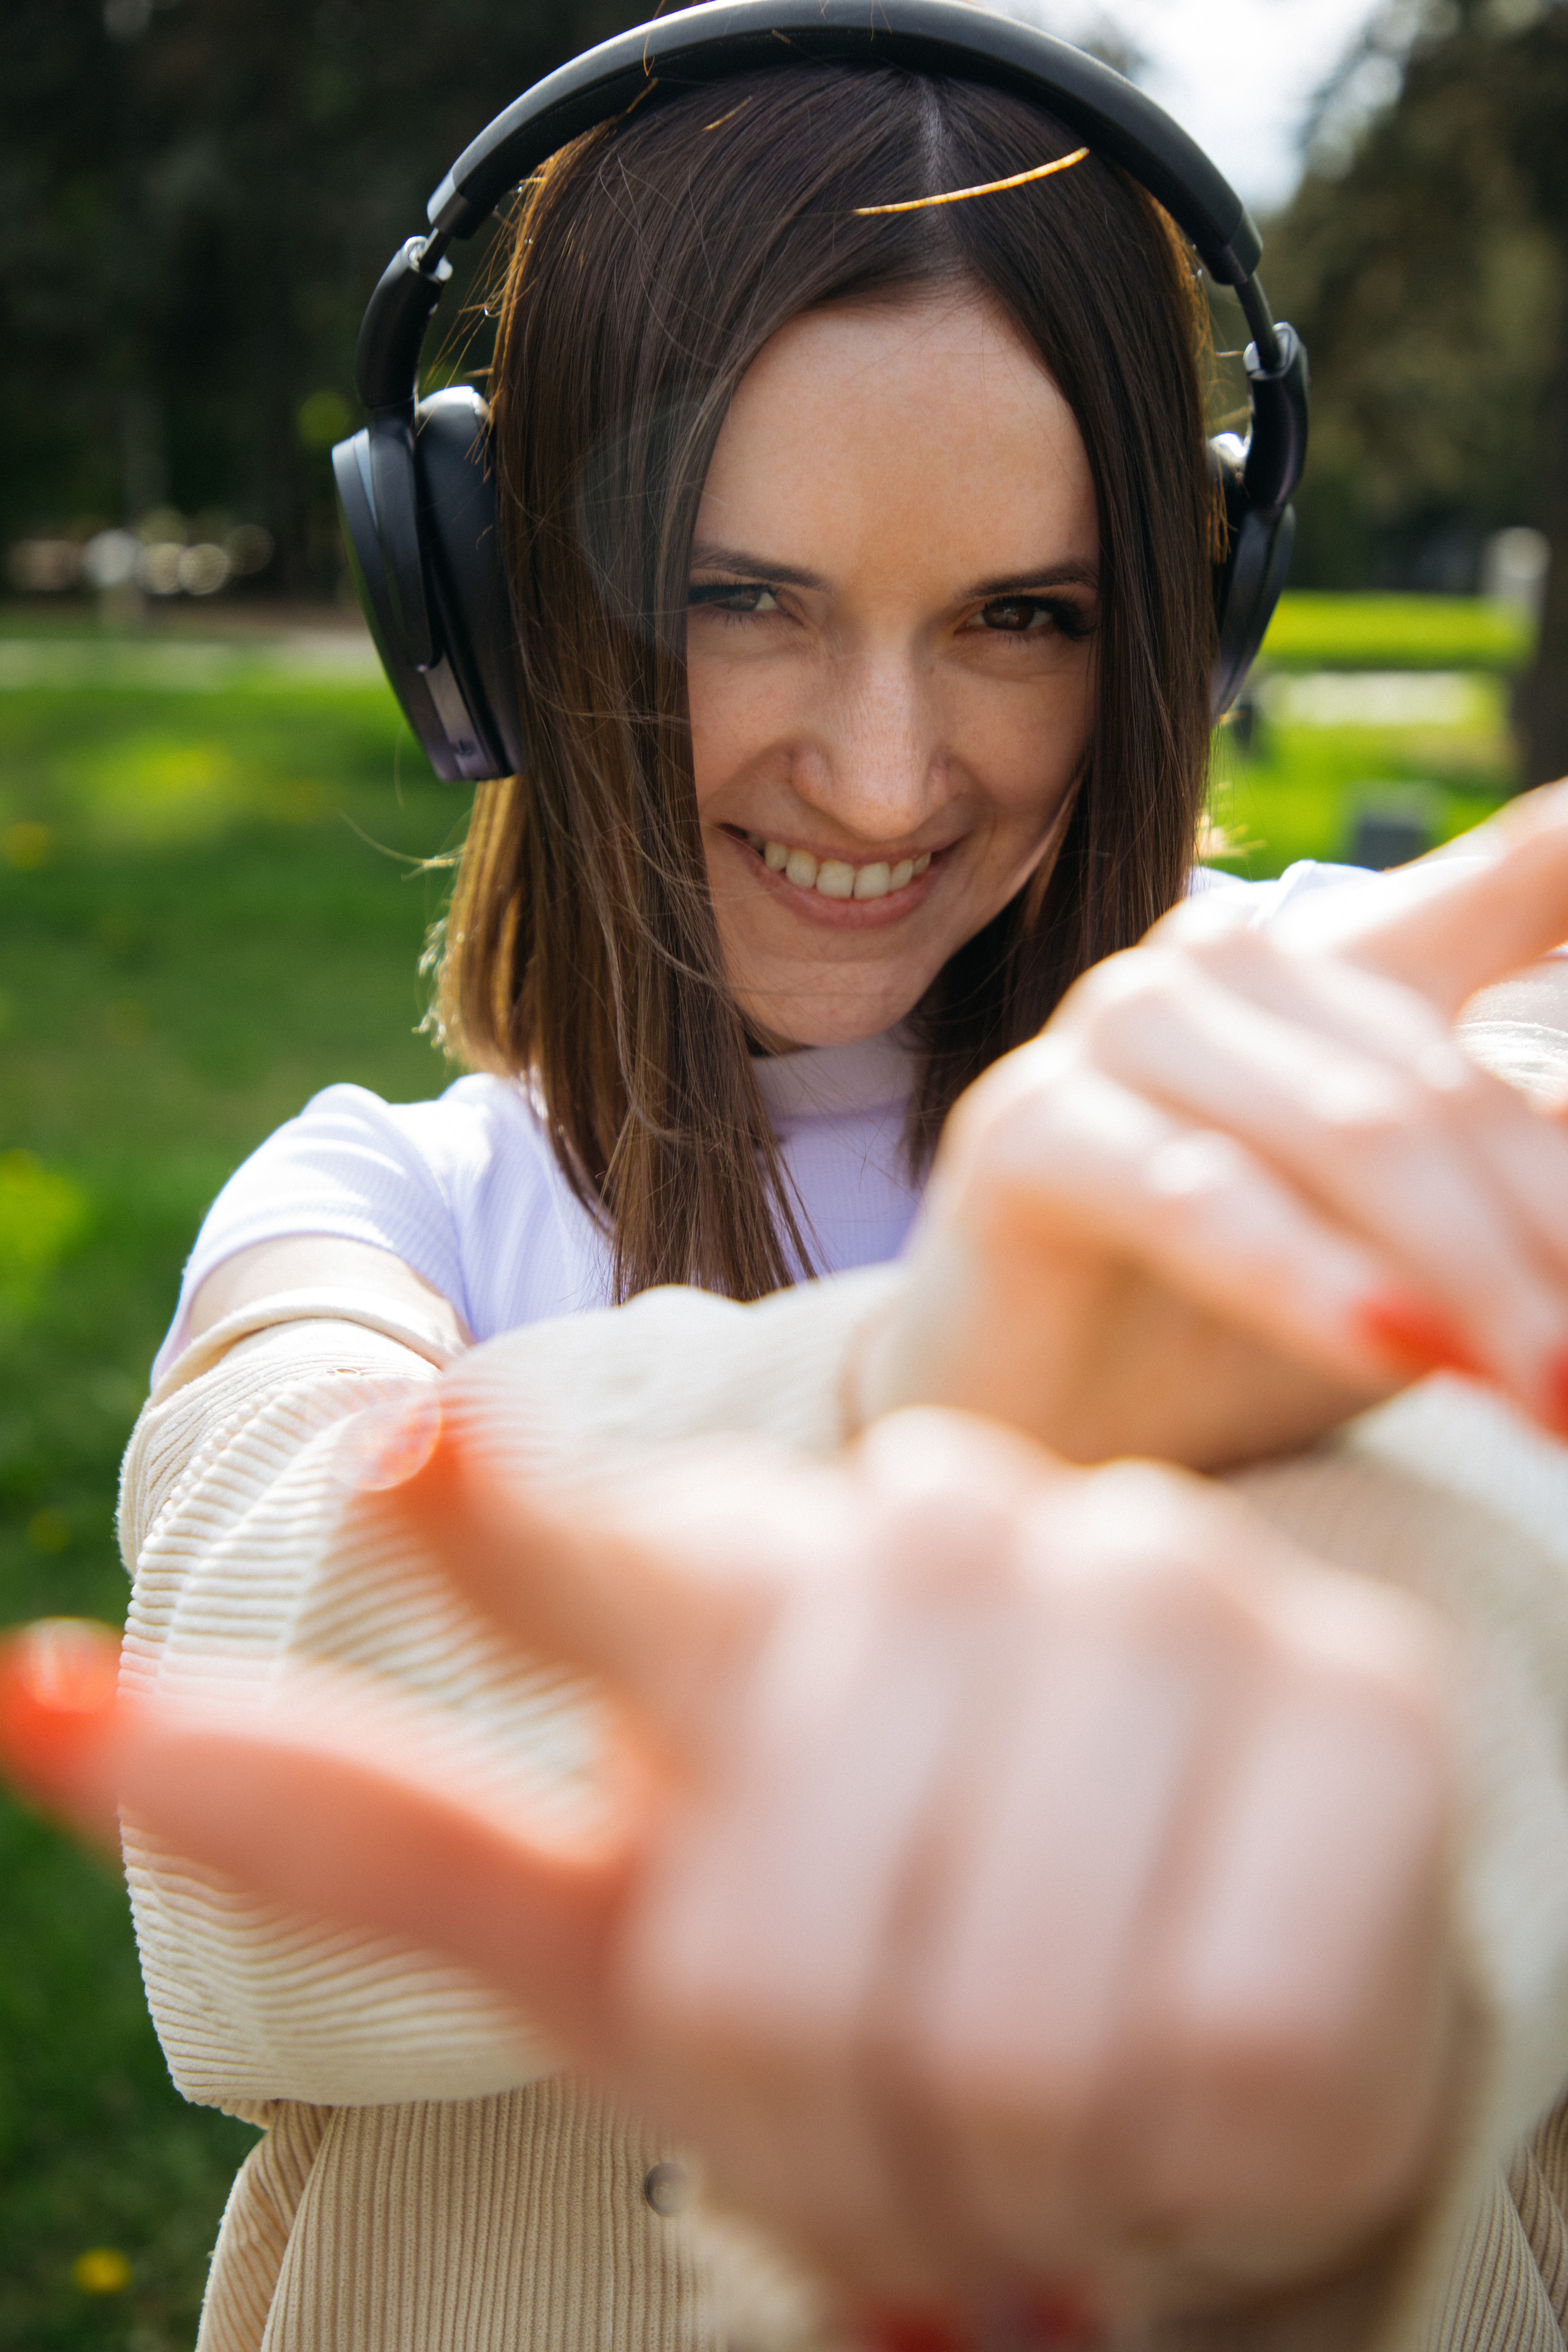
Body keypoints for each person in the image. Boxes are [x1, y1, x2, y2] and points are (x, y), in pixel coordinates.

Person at [20, 13, 1568, 2350]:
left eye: (1020, 617)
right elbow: (248, 1862)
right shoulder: (373, 1214)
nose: (878, 774)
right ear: (495, 597)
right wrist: (970, 1378)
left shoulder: (1382, 1043)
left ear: (1175, 610)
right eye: (745, 594)